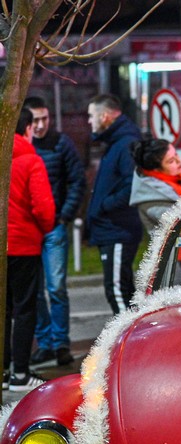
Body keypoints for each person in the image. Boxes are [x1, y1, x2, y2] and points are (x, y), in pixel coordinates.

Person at [22, 96, 86, 367]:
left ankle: (60, 343)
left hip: (54, 226)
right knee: (35, 290)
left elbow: (76, 180)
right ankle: (45, 342)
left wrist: (64, 216)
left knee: (56, 287)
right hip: (29, 227)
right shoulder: (21, 146)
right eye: (35, 120)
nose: (40, 125)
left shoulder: (60, 143)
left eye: (44, 118)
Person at [4, 108, 56, 391]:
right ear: (26, 130)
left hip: (3, 244)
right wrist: (46, 227)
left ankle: (3, 370)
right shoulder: (30, 161)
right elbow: (44, 208)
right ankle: (20, 373)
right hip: (24, 244)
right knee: (25, 309)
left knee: (3, 308)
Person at [86, 94, 143, 315]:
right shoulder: (116, 142)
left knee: (117, 292)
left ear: (105, 116)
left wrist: (104, 205)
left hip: (118, 229)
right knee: (124, 292)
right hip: (113, 229)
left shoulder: (125, 143)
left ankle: (126, 345)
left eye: (91, 116)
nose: (89, 121)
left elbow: (131, 186)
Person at [129, 138, 181, 234]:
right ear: (155, 170)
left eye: (176, 154)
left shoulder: (180, 177)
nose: (179, 161)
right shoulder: (152, 200)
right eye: (171, 161)